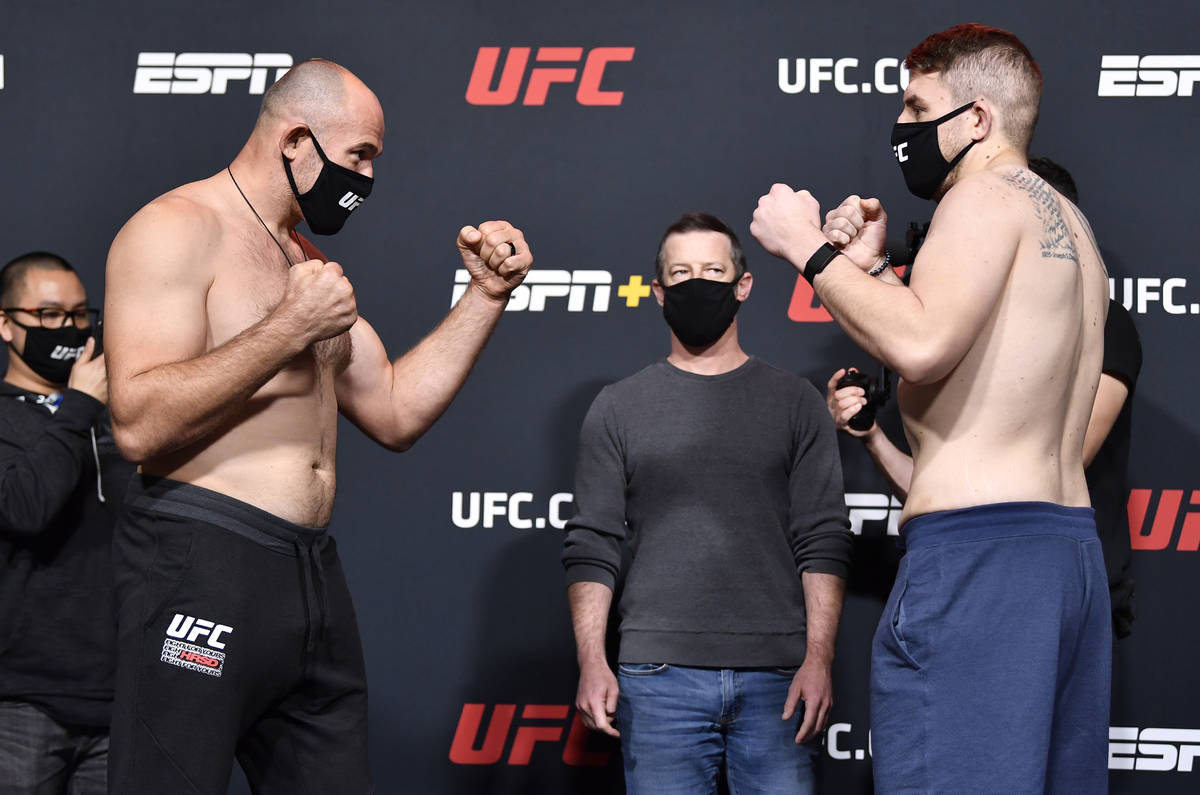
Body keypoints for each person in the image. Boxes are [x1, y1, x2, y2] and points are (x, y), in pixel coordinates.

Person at [103, 59, 533, 793]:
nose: (367, 178)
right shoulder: (176, 227)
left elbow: (395, 410)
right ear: (296, 140)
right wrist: (287, 327)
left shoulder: (304, 259)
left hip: (308, 576)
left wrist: (485, 295)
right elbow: (139, 425)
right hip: (199, 563)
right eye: (359, 155)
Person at [750, 24, 1111, 794]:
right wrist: (876, 269)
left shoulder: (979, 197)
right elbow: (977, 363)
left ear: (977, 118)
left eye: (918, 106)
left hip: (980, 557)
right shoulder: (1071, 227)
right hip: (1063, 552)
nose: (904, 127)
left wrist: (805, 247)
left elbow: (920, 347)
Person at [562, 212, 852, 794]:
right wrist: (592, 660)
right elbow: (592, 542)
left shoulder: (795, 403)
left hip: (778, 677)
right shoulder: (618, 407)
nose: (699, 284)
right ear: (660, 292)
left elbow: (822, 538)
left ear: (743, 285)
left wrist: (818, 658)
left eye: (714, 271)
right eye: (682, 273)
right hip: (656, 676)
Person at [826, 156, 1141, 639]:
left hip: (1047, 581)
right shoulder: (978, 335)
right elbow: (949, 487)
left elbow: (1047, 468)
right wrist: (872, 439)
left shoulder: (1104, 322)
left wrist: (810, 252)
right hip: (976, 570)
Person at [0, 253, 134, 794]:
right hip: (20, 704)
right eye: (49, 315)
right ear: (6, 323)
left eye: (81, 316)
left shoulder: (119, 419)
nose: (71, 330)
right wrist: (78, 406)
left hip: (119, 701)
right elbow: (25, 507)